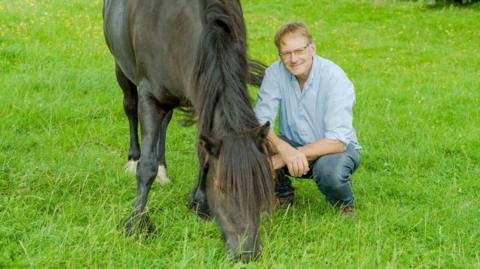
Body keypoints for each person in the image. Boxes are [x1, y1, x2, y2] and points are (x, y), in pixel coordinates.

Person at [254, 22, 361, 216]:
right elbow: (261, 122)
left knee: (330, 172)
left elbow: (337, 141)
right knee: (255, 142)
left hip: (333, 149)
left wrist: (282, 158)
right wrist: (283, 148)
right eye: (286, 53)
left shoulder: (334, 77)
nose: (293, 59)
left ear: (312, 48)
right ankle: (282, 193)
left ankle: (345, 204)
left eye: (299, 51)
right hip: (292, 143)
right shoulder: (274, 73)